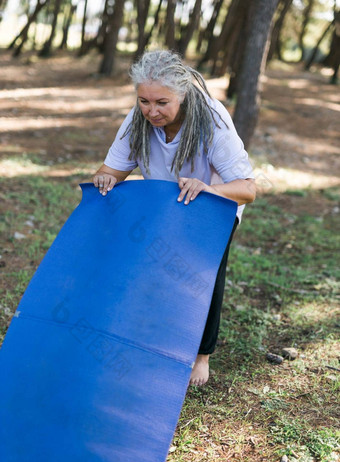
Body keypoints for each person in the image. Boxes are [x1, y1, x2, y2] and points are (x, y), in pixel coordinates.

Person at [93, 50, 255, 387]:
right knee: (154, 266)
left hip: (214, 203)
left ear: (182, 94)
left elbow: (248, 189)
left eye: (162, 103)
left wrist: (209, 189)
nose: (152, 111)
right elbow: (110, 170)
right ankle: (152, 335)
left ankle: (201, 356)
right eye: (144, 101)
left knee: (203, 276)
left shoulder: (212, 119)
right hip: (164, 202)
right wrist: (106, 178)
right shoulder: (137, 119)